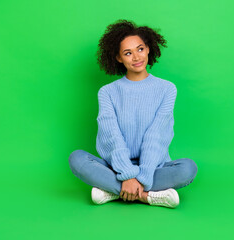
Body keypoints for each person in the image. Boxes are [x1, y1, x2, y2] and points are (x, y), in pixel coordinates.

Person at [68, 19, 198, 208]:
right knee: (77, 159)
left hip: (153, 168)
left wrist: (142, 177)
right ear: (119, 58)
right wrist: (127, 175)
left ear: (148, 49)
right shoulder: (107, 92)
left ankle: (114, 191)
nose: (136, 57)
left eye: (140, 49)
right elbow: (111, 135)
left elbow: (156, 135)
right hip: (115, 166)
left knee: (188, 168)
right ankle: (147, 196)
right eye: (128, 53)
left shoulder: (167, 89)